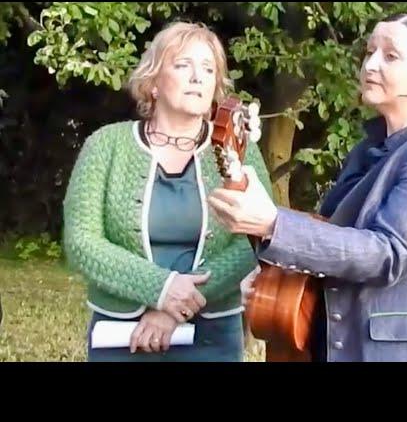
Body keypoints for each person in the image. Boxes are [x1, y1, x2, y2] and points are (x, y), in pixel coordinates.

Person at [208, 12, 407, 362]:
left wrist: (274, 225)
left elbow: (389, 252)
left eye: (390, 56)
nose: (370, 65)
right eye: (369, 52)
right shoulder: (369, 147)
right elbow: (335, 242)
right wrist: (274, 280)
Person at [63, 21, 272, 362]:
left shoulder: (240, 149)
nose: (197, 77)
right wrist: (159, 289)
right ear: (154, 82)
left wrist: (176, 308)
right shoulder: (105, 145)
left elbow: (255, 240)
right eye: (183, 65)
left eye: (208, 69)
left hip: (211, 335)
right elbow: (82, 241)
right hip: (123, 333)